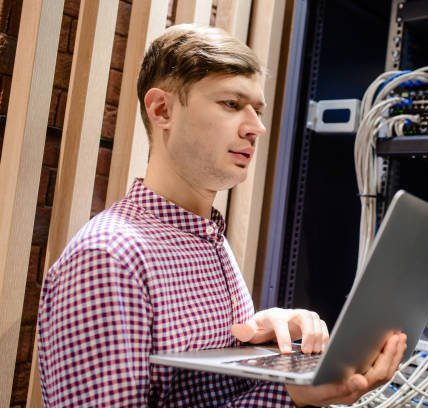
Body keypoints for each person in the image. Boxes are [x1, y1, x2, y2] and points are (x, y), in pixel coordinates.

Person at [37, 25, 407, 407]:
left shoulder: (205, 236)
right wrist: (290, 395)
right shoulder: (109, 258)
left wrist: (260, 338)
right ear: (162, 109)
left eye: (258, 110)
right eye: (232, 104)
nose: (256, 127)